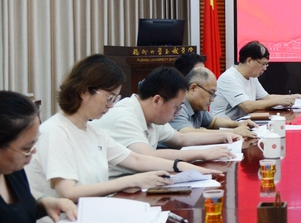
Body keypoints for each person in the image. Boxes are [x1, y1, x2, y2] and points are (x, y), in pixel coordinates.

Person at [27, 55, 219, 200]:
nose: (111, 105)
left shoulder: (92, 130)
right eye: (109, 97)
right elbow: (68, 192)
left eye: (115, 98)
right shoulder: (56, 131)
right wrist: (132, 181)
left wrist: (184, 167)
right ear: (84, 91)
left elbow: (135, 159)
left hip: (93, 214)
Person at [94, 66, 238, 177]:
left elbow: (181, 139)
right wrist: (201, 153)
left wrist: (223, 136)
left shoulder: (152, 115)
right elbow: (147, 156)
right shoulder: (124, 117)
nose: (179, 112)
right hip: (112, 192)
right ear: (157, 100)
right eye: (177, 107)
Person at [0, 92, 76, 223]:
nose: (33, 152)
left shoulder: (11, 169)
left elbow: (12, 211)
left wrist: (46, 202)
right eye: (27, 148)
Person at [210, 41, 301, 120]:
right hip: (224, 128)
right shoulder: (229, 78)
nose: (265, 68)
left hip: (242, 124)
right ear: (249, 61)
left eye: (266, 65)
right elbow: (247, 106)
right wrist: (279, 101)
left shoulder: (252, 77)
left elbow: (266, 98)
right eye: (263, 64)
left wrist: (292, 97)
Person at [170, 67, 257, 138]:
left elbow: (213, 121)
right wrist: (232, 132)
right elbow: (187, 133)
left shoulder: (197, 107)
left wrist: (238, 124)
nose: (212, 100)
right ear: (193, 88)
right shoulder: (179, 106)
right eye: (211, 93)